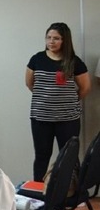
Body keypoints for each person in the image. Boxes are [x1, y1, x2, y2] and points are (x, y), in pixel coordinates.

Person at [26, 22, 91, 181]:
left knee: (70, 157)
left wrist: (67, 101)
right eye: (48, 37)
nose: (51, 41)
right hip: (41, 118)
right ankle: (39, 194)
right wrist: (46, 98)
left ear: (65, 40)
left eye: (56, 38)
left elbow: (85, 87)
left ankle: (74, 193)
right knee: (41, 156)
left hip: (68, 119)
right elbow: (30, 83)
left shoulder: (74, 61)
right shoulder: (37, 59)